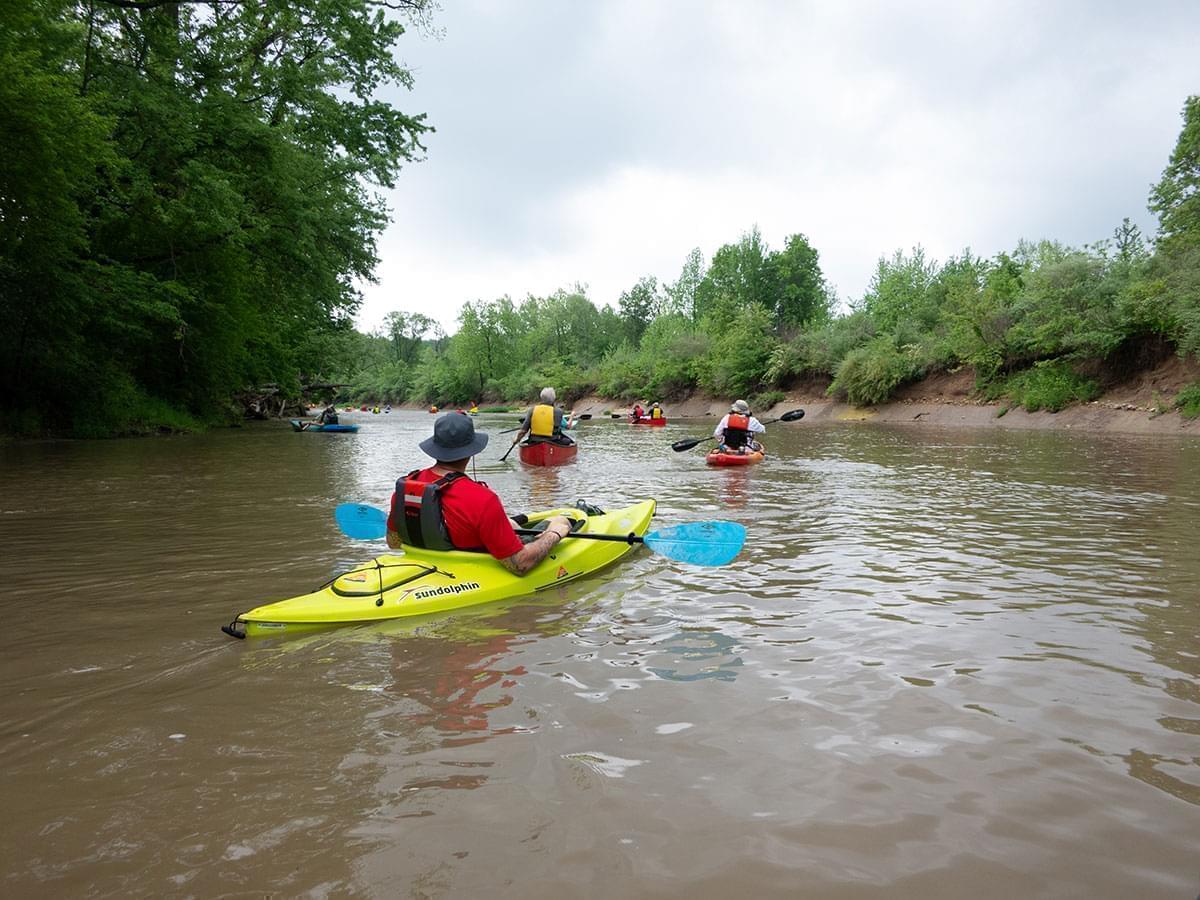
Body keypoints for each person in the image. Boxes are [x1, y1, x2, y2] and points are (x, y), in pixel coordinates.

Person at [386, 413, 574, 575]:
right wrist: (555, 533)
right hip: (471, 570)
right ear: (471, 451)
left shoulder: (407, 486)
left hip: (428, 562)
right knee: (561, 521)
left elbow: (393, 542)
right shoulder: (483, 499)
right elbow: (520, 564)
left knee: (510, 524)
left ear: (435, 447)